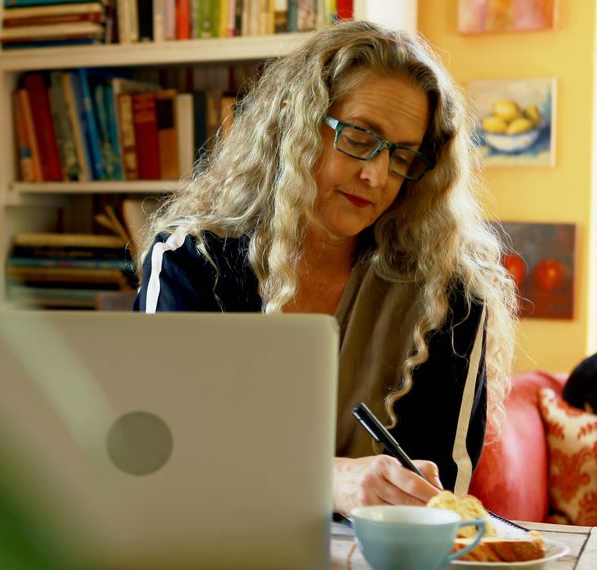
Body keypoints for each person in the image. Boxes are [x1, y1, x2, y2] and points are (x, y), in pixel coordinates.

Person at [132, 20, 518, 516]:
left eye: (403, 155)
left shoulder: (451, 297)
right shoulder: (193, 261)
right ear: (297, 120)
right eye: (360, 137)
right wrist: (328, 479)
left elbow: (437, 496)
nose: (376, 175)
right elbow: (164, 450)